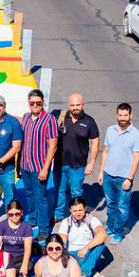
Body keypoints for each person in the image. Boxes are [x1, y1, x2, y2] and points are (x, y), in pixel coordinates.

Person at [97, 102, 139, 245]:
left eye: (125, 115)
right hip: (108, 174)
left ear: (130, 115)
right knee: (111, 204)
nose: (123, 118)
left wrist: (130, 178)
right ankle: (110, 226)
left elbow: (136, 159)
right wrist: (101, 172)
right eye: (120, 115)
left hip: (124, 177)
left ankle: (118, 231)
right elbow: (105, 152)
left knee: (122, 207)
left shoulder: (136, 134)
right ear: (116, 115)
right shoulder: (111, 130)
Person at [53, 93, 99, 223]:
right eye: (72, 105)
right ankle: (59, 214)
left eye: (78, 105)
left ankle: (78, 215)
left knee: (76, 192)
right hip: (60, 163)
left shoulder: (89, 121)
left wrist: (92, 162)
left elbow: (95, 141)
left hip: (78, 165)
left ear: (83, 104)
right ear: (69, 105)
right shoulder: (60, 118)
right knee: (60, 191)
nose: (75, 107)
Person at [19, 88, 58, 236]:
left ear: (43, 103)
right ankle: (33, 219)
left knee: (40, 197)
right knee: (29, 194)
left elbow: (53, 146)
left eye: (38, 103)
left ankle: (44, 228)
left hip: (39, 166)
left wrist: (45, 168)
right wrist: (19, 164)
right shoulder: (26, 117)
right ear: (28, 103)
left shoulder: (50, 120)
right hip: (26, 165)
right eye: (32, 103)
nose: (35, 105)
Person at [55, 196, 108, 277]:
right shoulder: (66, 222)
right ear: (70, 211)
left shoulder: (91, 220)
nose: (78, 213)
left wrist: (86, 248)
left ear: (85, 208)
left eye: (80, 210)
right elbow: (62, 241)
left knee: (100, 244)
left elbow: (102, 234)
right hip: (73, 255)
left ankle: (83, 275)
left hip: (88, 253)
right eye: (75, 211)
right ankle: (90, 273)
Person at [0, 199, 33, 277]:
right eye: (11, 214)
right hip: (6, 256)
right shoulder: (2, 225)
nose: (14, 216)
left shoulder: (27, 226)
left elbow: (28, 248)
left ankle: (12, 272)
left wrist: (24, 265)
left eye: (17, 214)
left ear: (22, 212)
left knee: (29, 265)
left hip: (20, 257)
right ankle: (14, 273)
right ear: (7, 214)